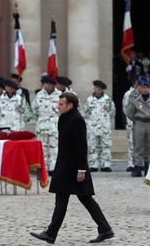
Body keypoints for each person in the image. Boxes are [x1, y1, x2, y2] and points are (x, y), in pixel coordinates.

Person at [30, 92, 114, 244]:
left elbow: (82, 146)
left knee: (84, 199)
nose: (58, 106)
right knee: (66, 200)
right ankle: (104, 229)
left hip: (75, 168)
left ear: (70, 105)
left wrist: (81, 170)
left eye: (61, 104)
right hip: (64, 165)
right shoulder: (64, 118)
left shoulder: (77, 120)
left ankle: (52, 233)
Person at [125, 76, 150, 177]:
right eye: (142, 87)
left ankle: (149, 167)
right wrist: (136, 120)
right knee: (138, 146)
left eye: (146, 87)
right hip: (139, 122)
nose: (144, 89)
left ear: (149, 88)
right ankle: (138, 167)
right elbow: (130, 112)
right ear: (139, 88)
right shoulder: (135, 99)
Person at [82, 80, 115, 172]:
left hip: (104, 127)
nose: (98, 90)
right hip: (93, 127)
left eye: (100, 88)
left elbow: (112, 112)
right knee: (93, 146)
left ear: (102, 89)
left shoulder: (107, 99)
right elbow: (86, 112)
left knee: (106, 146)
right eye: (96, 88)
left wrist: (105, 120)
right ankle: (93, 164)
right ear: (94, 88)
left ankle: (106, 164)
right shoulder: (89, 100)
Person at [32, 76, 62, 175]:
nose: (46, 86)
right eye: (44, 84)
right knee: (42, 149)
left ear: (52, 84)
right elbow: (34, 110)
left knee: (55, 149)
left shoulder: (60, 95)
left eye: (48, 84)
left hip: (55, 126)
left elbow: (63, 111)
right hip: (42, 127)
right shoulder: (39, 95)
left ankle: (53, 169)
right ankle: (42, 169)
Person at [121, 77, 138, 172]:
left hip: (142, 122)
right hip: (131, 122)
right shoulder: (128, 94)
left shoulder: (144, 93)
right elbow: (125, 108)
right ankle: (131, 163)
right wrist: (129, 118)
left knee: (141, 144)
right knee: (131, 143)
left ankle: (140, 163)